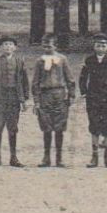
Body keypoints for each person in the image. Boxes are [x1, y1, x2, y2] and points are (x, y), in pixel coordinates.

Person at [0, 34, 30, 167]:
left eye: (10, 44)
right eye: (5, 44)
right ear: (1, 47)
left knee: (13, 127)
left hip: (14, 97)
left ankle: (13, 157)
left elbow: (24, 81)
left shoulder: (19, 61)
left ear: (15, 47)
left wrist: (24, 99)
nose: (8, 47)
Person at [32, 32, 74, 168]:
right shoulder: (39, 61)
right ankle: (46, 157)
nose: (47, 49)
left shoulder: (62, 59)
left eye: (49, 46)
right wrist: (36, 100)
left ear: (55, 46)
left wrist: (71, 95)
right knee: (46, 126)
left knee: (59, 127)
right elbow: (35, 82)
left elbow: (70, 79)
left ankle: (59, 157)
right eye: (44, 46)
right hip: (45, 95)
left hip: (60, 94)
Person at [78, 33, 107, 169]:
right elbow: (83, 77)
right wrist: (84, 91)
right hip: (93, 97)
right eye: (98, 45)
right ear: (94, 46)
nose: (100, 48)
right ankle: (94, 157)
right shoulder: (89, 60)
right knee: (94, 125)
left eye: (103, 45)